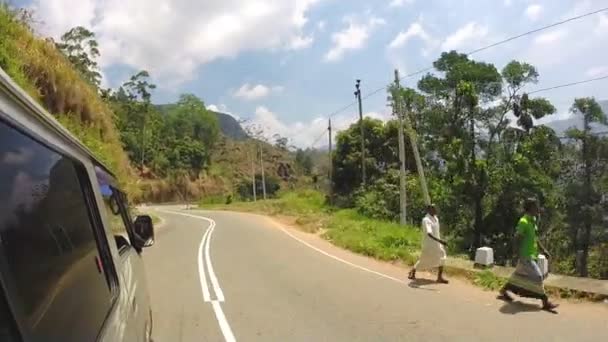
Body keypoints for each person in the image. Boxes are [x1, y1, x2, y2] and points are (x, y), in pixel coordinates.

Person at [497, 198, 558, 312]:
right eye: (536, 207)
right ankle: (545, 302)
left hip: (531, 254)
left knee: (518, 275)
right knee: (538, 277)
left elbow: (535, 238)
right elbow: (517, 239)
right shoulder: (523, 222)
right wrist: (516, 254)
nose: (538, 209)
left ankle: (504, 291)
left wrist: (543, 250)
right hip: (525, 256)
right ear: (530, 208)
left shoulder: (533, 220)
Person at [408, 204, 449, 284]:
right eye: (434, 209)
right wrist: (440, 241)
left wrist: (439, 241)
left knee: (442, 257)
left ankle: (439, 277)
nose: (436, 210)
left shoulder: (436, 218)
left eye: (436, 209)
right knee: (424, 259)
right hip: (429, 244)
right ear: (429, 210)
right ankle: (413, 271)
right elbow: (429, 234)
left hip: (437, 244)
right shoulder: (426, 220)